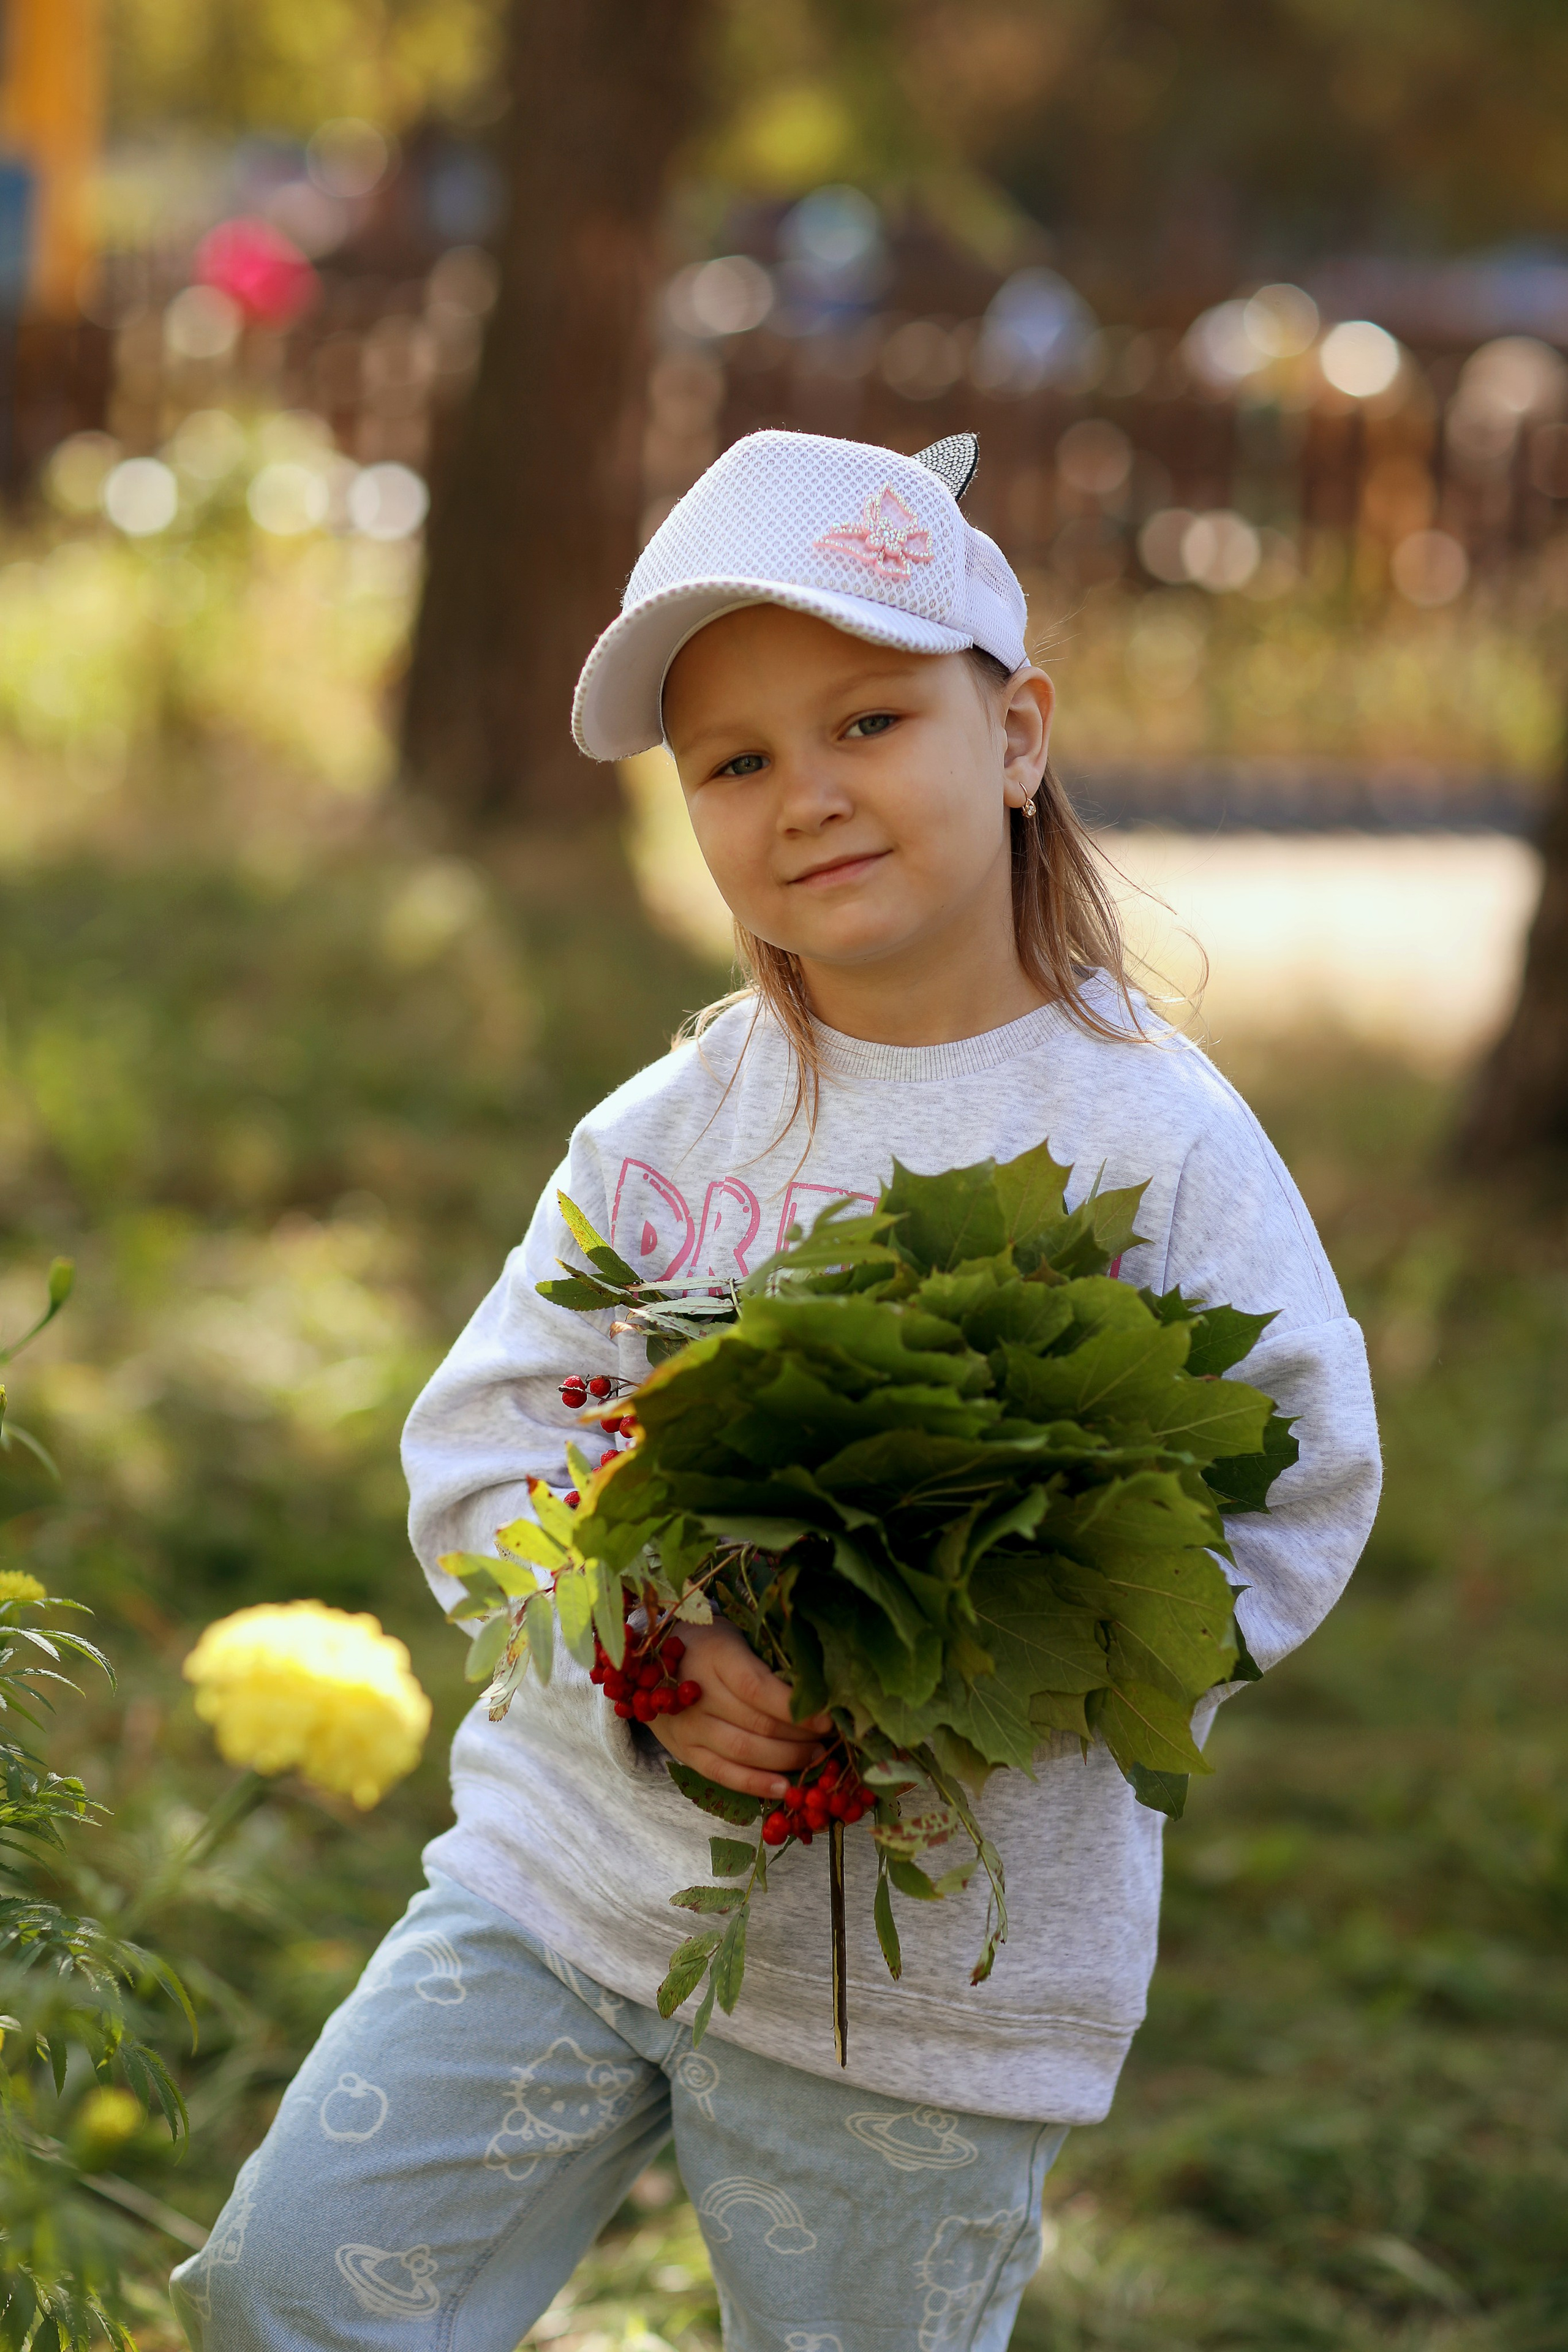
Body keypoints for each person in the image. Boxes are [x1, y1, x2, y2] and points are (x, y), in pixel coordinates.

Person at [173, 428, 1381, 2350]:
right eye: (735, 761)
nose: (804, 793)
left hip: (918, 1993)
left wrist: (997, 1663)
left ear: (1018, 736)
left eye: (869, 720)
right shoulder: (670, 1129)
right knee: (295, 2291)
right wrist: (637, 1640)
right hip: (567, 1885)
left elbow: (1296, 1477)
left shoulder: (1154, 1143)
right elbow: (488, 1445)